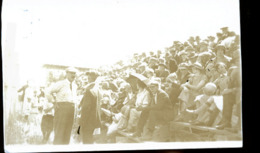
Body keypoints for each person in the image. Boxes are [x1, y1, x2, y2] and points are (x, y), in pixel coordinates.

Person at [45, 67, 78, 144]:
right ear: (66, 74)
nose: (73, 75)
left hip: (71, 109)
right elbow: (48, 91)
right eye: (71, 73)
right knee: (59, 131)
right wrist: (53, 102)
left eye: (74, 73)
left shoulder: (75, 86)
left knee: (68, 131)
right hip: (61, 109)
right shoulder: (61, 83)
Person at [78, 70, 103, 144]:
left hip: (87, 120)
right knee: (90, 141)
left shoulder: (89, 90)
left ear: (90, 78)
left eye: (88, 77)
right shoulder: (97, 89)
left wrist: (82, 120)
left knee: (86, 140)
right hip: (95, 120)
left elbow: (86, 107)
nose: (87, 78)